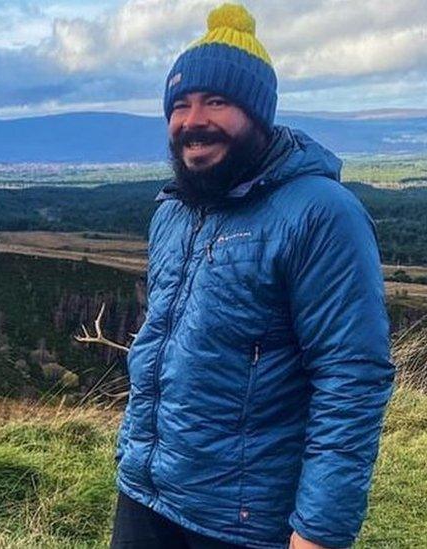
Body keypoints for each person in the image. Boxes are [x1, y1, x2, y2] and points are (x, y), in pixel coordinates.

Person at [111, 4, 394, 549]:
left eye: (217, 101)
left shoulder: (321, 212)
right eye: (180, 104)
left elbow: (350, 379)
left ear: (259, 114)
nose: (193, 121)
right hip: (146, 497)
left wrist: (318, 532)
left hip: (243, 524)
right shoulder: (172, 212)